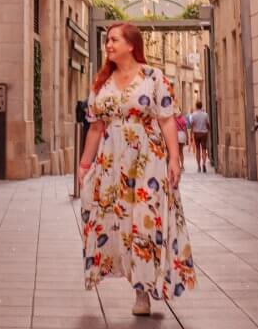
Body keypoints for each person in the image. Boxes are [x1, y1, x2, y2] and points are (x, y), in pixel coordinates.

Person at [77, 22, 196, 316]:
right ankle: (131, 280)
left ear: (131, 45)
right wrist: (83, 164)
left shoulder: (153, 77)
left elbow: (167, 120)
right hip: (111, 163)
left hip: (147, 162)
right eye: (107, 40)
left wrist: (174, 159)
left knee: (143, 222)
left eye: (114, 40)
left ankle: (142, 292)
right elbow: (95, 128)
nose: (108, 45)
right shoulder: (101, 83)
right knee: (117, 223)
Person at [188, 100, 210, 172]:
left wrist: (191, 134)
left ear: (196, 106)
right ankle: (203, 163)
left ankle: (198, 166)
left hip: (196, 133)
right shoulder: (205, 114)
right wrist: (208, 130)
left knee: (197, 150)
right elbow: (207, 124)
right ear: (201, 106)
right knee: (204, 149)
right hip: (204, 133)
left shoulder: (193, 115)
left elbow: (192, 125)